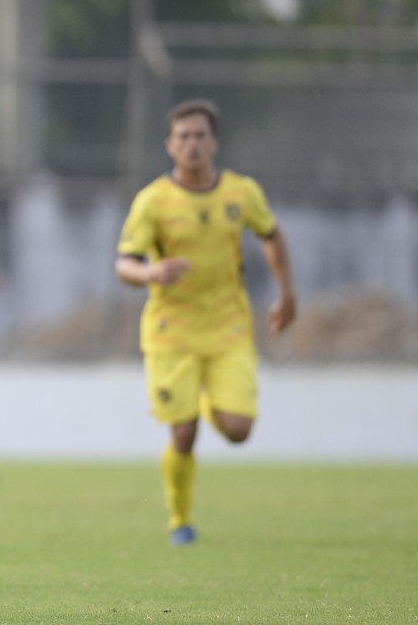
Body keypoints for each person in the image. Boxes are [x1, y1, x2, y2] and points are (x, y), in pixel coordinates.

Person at [115, 99, 296, 545]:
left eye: (199, 136)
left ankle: (210, 397)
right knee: (183, 431)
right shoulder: (153, 201)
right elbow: (125, 263)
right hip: (170, 330)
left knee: (238, 430)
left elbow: (271, 235)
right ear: (169, 145)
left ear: (213, 142)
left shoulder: (241, 192)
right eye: (183, 137)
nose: (192, 144)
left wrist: (287, 293)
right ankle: (180, 520)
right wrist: (150, 272)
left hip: (228, 326)